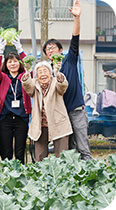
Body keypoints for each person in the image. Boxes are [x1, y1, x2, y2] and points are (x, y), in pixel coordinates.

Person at [42, 0, 92, 160]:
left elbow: (75, 38)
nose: (50, 50)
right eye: (47, 49)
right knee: (66, 152)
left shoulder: (69, 59)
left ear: (60, 50)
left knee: (83, 148)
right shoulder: (46, 71)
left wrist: (77, 18)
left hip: (76, 110)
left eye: (53, 47)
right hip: (59, 115)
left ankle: (90, 180)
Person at [21, 61, 73, 161]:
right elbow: (27, 86)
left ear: (50, 73)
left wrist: (58, 74)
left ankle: (62, 175)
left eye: (45, 71)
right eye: (40, 72)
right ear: (36, 75)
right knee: (40, 156)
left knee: (61, 156)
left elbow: (63, 86)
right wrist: (27, 73)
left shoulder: (55, 82)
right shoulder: (34, 84)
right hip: (40, 125)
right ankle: (41, 176)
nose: (43, 74)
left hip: (58, 124)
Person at [0, 36, 31, 164]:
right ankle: (6, 174)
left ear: (19, 63)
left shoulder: (24, 76)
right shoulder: (3, 77)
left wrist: (19, 49)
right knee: (6, 150)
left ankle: (20, 176)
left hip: (21, 117)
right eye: (9, 62)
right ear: (6, 64)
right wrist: (0, 51)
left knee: (20, 151)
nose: (13, 64)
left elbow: (29, 65)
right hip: (5, 118)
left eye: (15, 61)